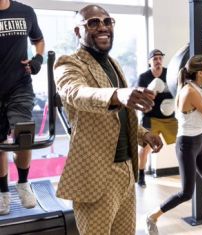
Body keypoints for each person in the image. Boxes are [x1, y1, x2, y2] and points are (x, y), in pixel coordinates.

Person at [54, 5, 163, 234]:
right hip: (95, 176)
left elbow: (121, 116)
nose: (102, 27)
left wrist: (144, 135)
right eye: (93, 22)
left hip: (126, 170)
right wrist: (117, 94)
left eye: (107, 21)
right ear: (78, 31)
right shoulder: (69, 63)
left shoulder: (113, 63)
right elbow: (76, 92)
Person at [145, 55, 202, 235]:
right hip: (187, 144)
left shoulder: (197, 88)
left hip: (198, 141)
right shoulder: (190, 92)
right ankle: (152, 216)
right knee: (187, 193)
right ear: (199, 72)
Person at [0, 0, 45, 215]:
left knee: (24, 134)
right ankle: (2, 192)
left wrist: (38, 59)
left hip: (20, 86)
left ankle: (23, 183)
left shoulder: (25, 12)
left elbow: (39, 40)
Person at [136, 49, 177, 188]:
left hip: (169, 117)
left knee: (184, 143)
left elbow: (177, 90)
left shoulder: (170, 74)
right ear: (150, 62)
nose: (158, 61)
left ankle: (189, 170)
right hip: (150, 117)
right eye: (155, 59)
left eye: (160, 58)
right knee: (145, 148)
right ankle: (141, 175)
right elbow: (140, 99)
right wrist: (151, 92)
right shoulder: (144, 77)